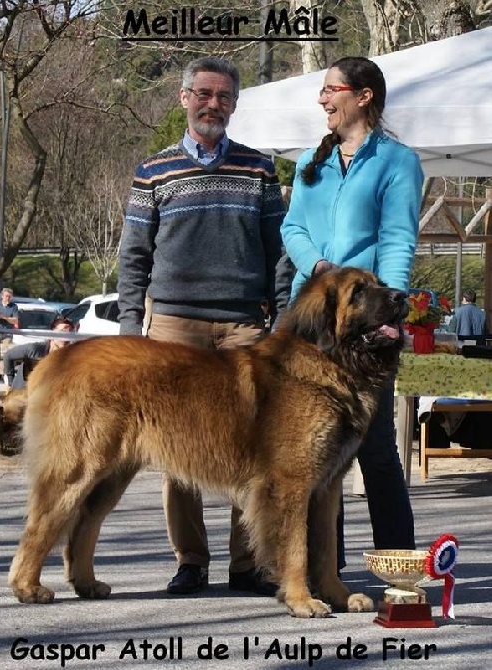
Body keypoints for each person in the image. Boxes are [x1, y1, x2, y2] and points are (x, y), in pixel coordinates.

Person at [117, 56, 292, 596]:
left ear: (235, 104)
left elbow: (278, 253)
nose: (213, 104)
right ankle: (190, 560)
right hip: (173, 327)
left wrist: (282, 321)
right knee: (177, 450)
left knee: (253, 447)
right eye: (204, 94)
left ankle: (249, 565)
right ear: (183, 97)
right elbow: (133, 258)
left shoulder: (260, 168)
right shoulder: (152, 171)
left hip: (245, 326)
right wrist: (130, 329)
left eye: (224, 96)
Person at [281, 56, 424, 569]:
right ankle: (325, 569)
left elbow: (397, 240)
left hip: (365, 325)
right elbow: (291, 227)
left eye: (330, 89)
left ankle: (399, 571)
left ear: (363, 97)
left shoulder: (398, 162)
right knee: (313, 450)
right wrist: (319, 267)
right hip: (310, 319)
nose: (323, 99)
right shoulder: (308, 162)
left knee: (376, 448)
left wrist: (392, 310)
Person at [2, 316, 75, 390]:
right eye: (62, 332)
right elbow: (8, 356)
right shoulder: (35, 350)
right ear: (52, 334)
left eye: (70, 333)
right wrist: (10, 383)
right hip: (21, 394)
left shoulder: (69, 358)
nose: (66, 338)